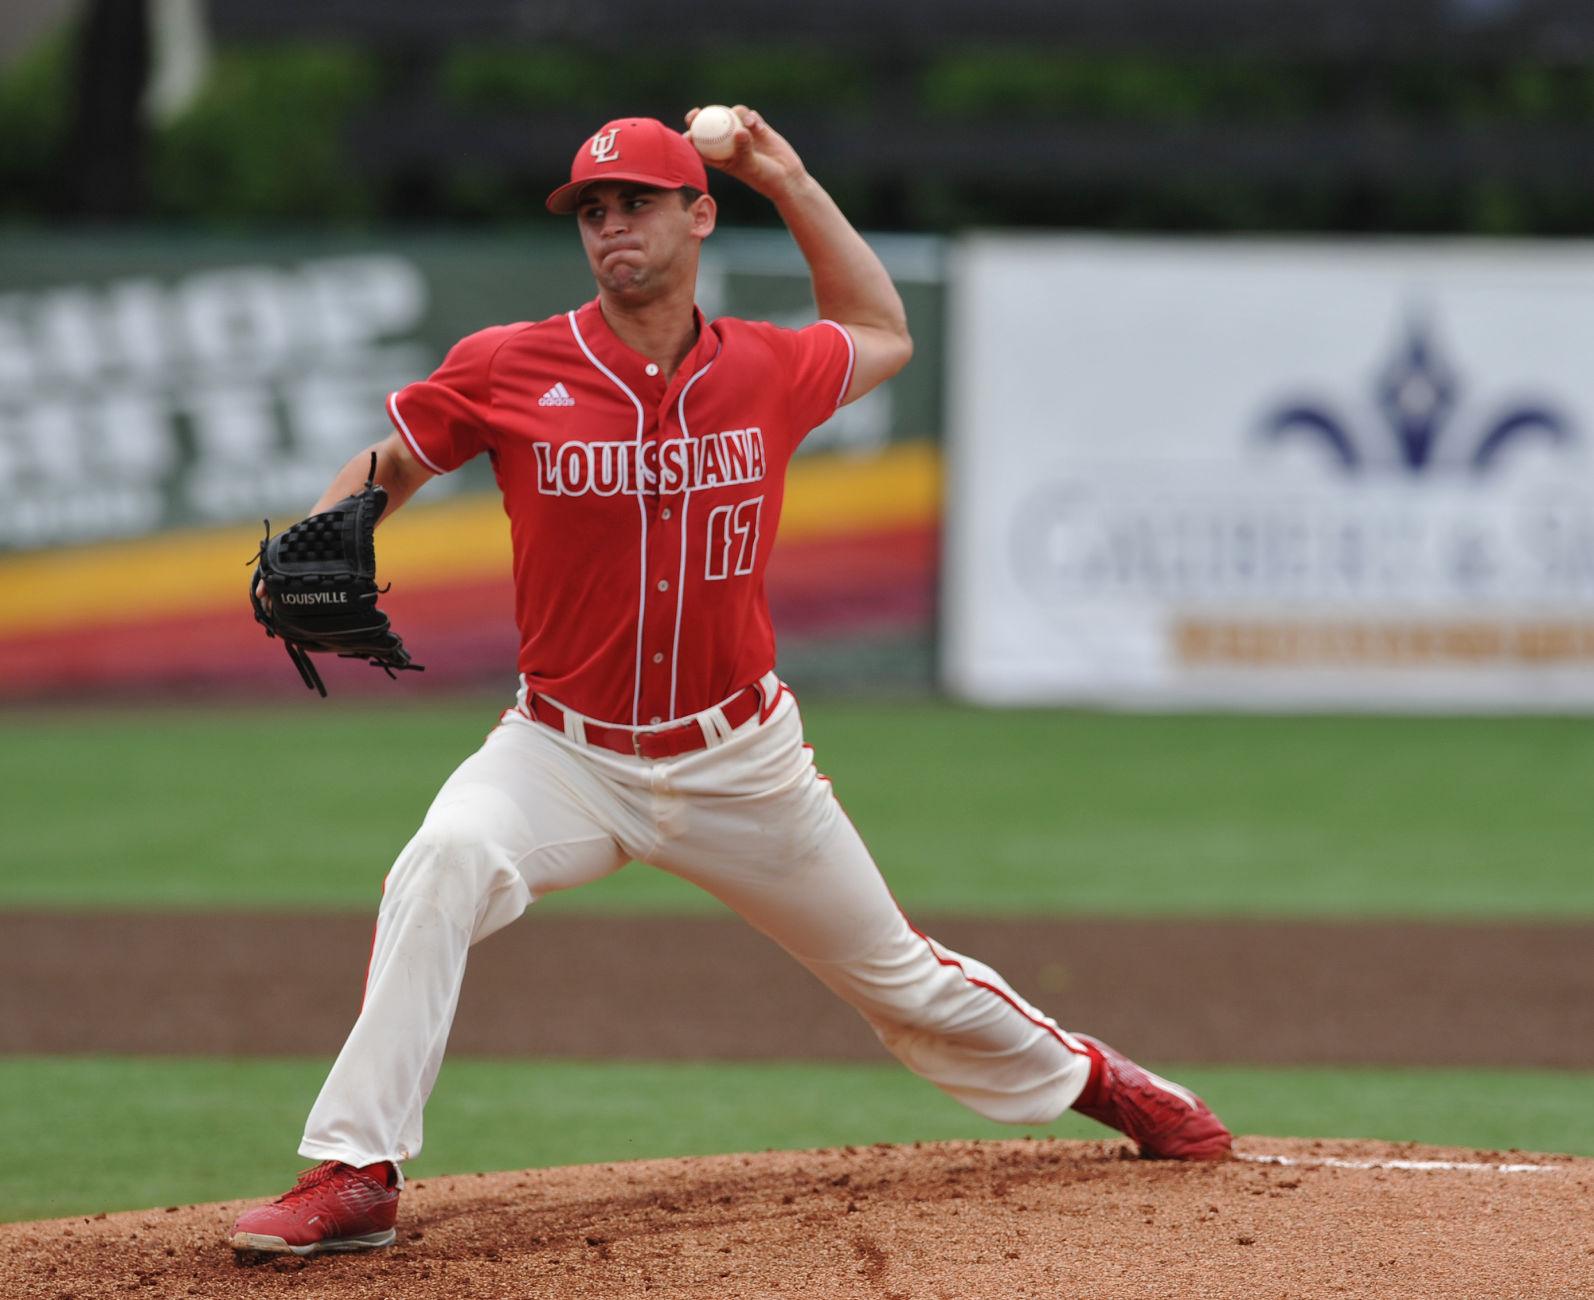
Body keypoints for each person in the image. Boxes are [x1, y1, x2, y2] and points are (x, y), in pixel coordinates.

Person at [229, 108, 1231, 1257]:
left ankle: (1103, 1080)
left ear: (698, 214)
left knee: (902, 983)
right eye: (593, 210)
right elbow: (402, 451)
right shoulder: (514, 363)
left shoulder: (764, 364)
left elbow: (882, 329)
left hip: (741, 759)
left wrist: (786, 175)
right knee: (444, 861)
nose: (612, 226)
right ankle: (356, 1166)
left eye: (638, 203)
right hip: (564, 750)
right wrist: (329, 526)